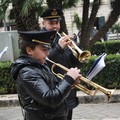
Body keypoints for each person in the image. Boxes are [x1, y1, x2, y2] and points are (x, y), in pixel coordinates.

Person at [10, 30, 81, 120]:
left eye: (48, 49)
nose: (47, 53)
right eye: (43, 49)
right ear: (29, 50)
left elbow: (52, 88)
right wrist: (68, 79)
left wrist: (68, 84)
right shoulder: (27, 72)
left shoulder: (40, 65)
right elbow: (50, 99)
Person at [40, 8, 82, 120]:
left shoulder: (63, 39)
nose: (55, 26)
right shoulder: (38, 41)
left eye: (57, 23)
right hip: (52, 93)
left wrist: (76, 54)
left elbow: (73, 64)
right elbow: (40, 63)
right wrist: (58, 48)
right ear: (43, 23)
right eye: (51, 23)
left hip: (68, 93)